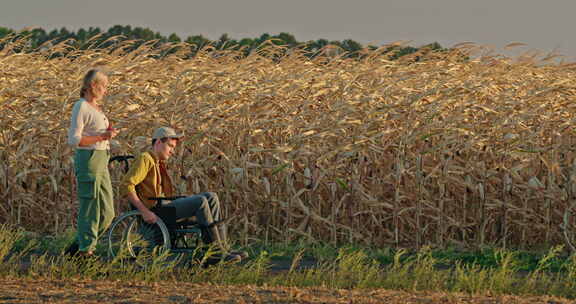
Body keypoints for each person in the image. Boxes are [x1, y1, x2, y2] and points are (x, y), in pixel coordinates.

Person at [120, 127, 246, 263]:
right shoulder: (146, 159)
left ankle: (222, 249)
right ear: (157, 143)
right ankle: (213, 253)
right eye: (170, 146)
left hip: (165, 205)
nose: (172, 151)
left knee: (212, 196)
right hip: (157, 211)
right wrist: (144, 212)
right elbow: (126, 185)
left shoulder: (157, 162)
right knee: (200, 201)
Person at [66, 68, 120, 256]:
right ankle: (85, 252)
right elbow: (74, 140)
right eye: (103, 86)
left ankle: (79, 246)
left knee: (108, 213)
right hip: (88, 159)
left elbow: (97, 134)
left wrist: (107, 134)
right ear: (92, 85)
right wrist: (101, 137)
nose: (105, 90)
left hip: (102, 160)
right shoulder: (81, 106)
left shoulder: (96, 108)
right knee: (90, 208)